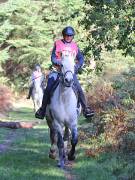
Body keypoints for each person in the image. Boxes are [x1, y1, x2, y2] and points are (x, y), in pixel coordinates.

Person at [35, 26, 94, 119]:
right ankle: (42, 110)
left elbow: (81, 58)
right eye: (67, 35)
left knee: (79, 88)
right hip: (57, 71)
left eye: (70, 35)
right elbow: (53, 57)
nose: (68, 37)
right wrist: (59, 62)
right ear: (64, 35)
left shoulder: (74, 45)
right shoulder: (58, 43)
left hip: (69, 72)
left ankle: (86, 109)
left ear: (73, 36)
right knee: (48, 87)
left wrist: (78, 65)